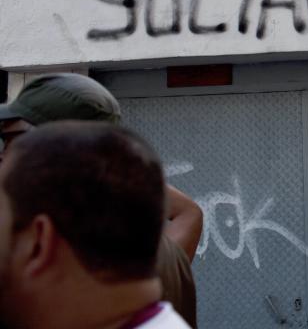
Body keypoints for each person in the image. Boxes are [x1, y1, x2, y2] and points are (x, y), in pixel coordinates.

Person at [0, 73, 201, 328]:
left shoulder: (52, 257)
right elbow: (190, 212)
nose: (3, 156)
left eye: (10, 141)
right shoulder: (153, 251)